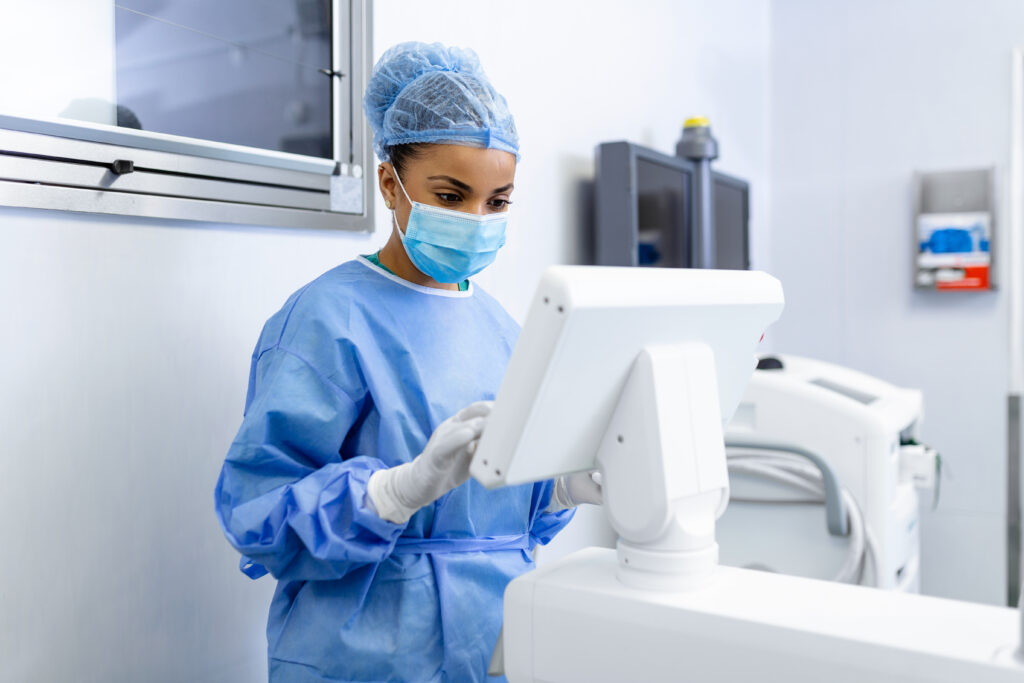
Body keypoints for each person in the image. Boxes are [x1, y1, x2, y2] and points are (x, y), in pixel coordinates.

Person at [215, 41, 601, 683]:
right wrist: (393, 492)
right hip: (363, 657)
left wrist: (559, 487)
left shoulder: (505, 330)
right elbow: (258, 514)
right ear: (391, 184)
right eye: (451, 197)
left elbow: (504, 526)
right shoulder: (328, 319)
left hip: (496, 646)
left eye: (497, 201)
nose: (476, 221)